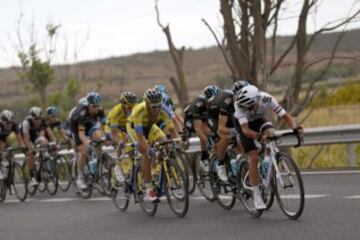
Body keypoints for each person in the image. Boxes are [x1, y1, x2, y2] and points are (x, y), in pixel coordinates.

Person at [234, 85, 303, 209]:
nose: (247, 109)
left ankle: (267, 160)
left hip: (259, 120)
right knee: (253, 155)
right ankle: (256, 194)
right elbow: (246, 131)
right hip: (244, 126)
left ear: (257, 101)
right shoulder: (239, 106)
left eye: (250, 106)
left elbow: (287, 117)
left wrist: (295, 128)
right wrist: (259, 137)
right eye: (245, 107)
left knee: (271, 134)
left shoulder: (267, 99)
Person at [126, 89, 178, 202]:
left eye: (158, 105)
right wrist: (148, 148)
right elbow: (140, 138)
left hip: (150, 126)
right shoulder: (139, 111)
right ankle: (149, 188)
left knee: (165, 142)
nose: (157, 109)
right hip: (134, 128)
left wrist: (179, 143)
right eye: (154, 106)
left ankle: (157, 170)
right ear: (147, 104)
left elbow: (172, 130)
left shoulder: (164, 109)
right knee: (147, 154)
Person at [206, 81, 248, 181]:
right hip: (214, 117)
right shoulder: (227, 101)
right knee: (224, 137)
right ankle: (220, 163)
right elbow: (221, 128)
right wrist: (234, 132)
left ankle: (240, 164)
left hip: (228, 115)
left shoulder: (245, 102)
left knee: (239, 141)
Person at [67, 92, 106, 189]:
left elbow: (103, 127)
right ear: (88, 105)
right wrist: (88, 145)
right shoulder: (81, 114)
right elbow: (81, 134)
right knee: (84, 151)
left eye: (98, 106)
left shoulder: (100, 111)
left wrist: (104, 137)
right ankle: (80, 177)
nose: (96, 108)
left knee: (98, 138)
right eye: (94, 106)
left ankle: (99, 164)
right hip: (76, 127)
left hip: (89, 125)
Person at [19, 107, 56, 186]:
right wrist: (31, 148)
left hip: (34, 134)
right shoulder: (26, 123)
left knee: (45, 142)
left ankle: (42, 161)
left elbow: (50, 134)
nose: (38, 120)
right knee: (30, 154)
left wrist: (54, 144)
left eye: (39, 118)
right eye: (36, 119)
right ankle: (32, 177)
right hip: (24, 135)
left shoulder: (42, 120)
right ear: (32, 118)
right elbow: (26, 138)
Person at [106, 91, 138, 183]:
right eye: (129, 106)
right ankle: (118, 164)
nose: (131, 108)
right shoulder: (116, 112)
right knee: (124, 140)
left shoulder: (135, 110)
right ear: (122, 104)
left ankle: (133, 167)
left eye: (133, 106)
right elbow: (114, 133)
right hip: (112, 129)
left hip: (125, 127)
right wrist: (120, 142)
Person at [0, 110, 24, 179]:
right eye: (7, 123)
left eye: (11, 122)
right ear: (2, 122)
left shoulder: (14, 125)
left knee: (10, 153)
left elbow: (19, 138)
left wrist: (22, 146)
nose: (9, 124)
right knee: (2, 149)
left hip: (4, 138)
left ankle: (9, 173)